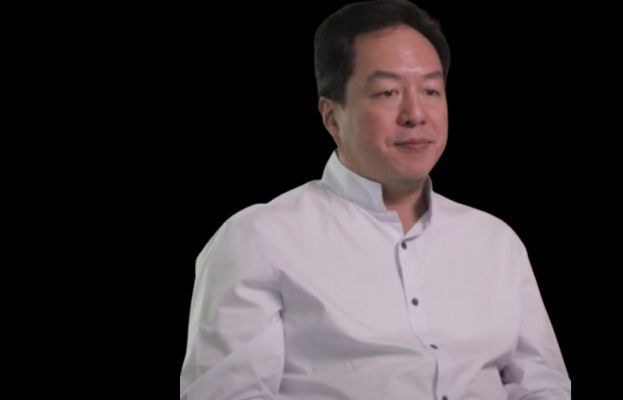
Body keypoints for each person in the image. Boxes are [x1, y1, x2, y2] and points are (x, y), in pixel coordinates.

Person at [179, 0, 571, 398]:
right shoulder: (258, 239)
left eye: (431, 90)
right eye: (387, 92)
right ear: (332, 116)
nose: (416, 114)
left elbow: (542, 385)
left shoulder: (496, 241)